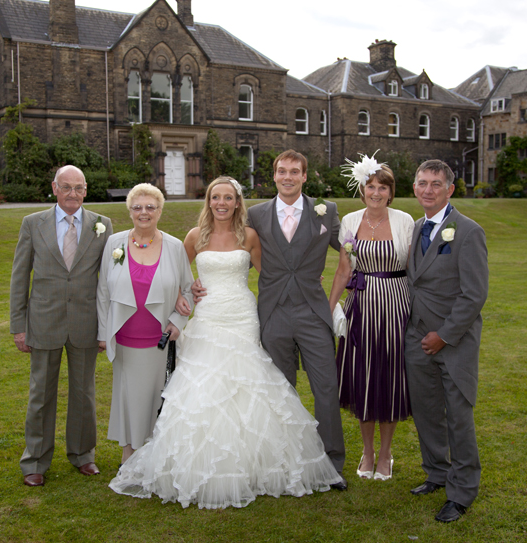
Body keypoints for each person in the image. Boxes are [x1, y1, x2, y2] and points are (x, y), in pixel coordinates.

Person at [109, 176, 341, 508]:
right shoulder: (194, 236)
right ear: (209, 201)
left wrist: (304, 277)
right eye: (215, 197)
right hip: (208, 318)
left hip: (242, 316)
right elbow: (170, 271)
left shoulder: (249, 236)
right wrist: (180, 294)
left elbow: (272, 273)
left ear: (236, 202)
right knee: (204, 385)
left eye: (228, 198)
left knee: (245, 383)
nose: (221, 203)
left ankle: (255, 461)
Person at [236, 149, 347, 490]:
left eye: (294, 171)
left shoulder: (326, 211)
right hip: (274, 312)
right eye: (281, 171)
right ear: (274, 176)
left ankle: (331, 464)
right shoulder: (255, 214)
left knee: (326, 388)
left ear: (304, 176)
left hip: (314, 313)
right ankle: (286, 461)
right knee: (281, 390)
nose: (287, 176)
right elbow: (233, 250)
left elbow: (350, 251)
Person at [10, 165, 112, 487]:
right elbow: (19, 276)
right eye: (66, 187)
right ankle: (36, 462)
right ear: (54, 188)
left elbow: (109, 280)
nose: (72, 194)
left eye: (78, 188)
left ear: (86, 190)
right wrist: (18, 325)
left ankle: (83, 455)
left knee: (84, 393)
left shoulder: (102, 225)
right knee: (41, 394)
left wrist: (106, 327)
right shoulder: (32, 224)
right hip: (43, 321)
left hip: (86, 322)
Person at [405, 159, 489, 522]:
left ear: (450, 189)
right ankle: (437, 473)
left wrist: (445, 335)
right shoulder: (416, 227)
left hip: (452, 339)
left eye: (436, 184)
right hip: (416, 337)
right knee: (426, 412)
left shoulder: (468, 231)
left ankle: (462, 491)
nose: (428, 189)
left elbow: (474, 294)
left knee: (458, 416)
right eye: (422, 183)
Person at [328, 158, 414, 481]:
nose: (376, 193)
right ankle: (367, 451)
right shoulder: (349, 221)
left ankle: (387, 453)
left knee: (390, 379)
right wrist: (330, 307)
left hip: (395, 305)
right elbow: (343, 270)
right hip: (361, 307)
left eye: (382, 187)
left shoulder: (405, 221)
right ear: (362, 189)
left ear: (391, 193)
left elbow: (415, 270)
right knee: (362, 379)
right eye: (371, 186)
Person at [96, 183, 193, 466]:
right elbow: (102, 291)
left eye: (150, 207)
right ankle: (129, 453)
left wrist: (178, 322)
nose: (144, 212)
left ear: (160, 210)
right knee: (127, 396)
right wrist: (104, 333)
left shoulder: (174, 247)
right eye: (137, 207)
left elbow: (187, 291)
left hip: (159, 339)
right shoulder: (114, 244)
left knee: (155, 397)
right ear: (129, 211)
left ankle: (153, 453)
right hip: (124, 337)